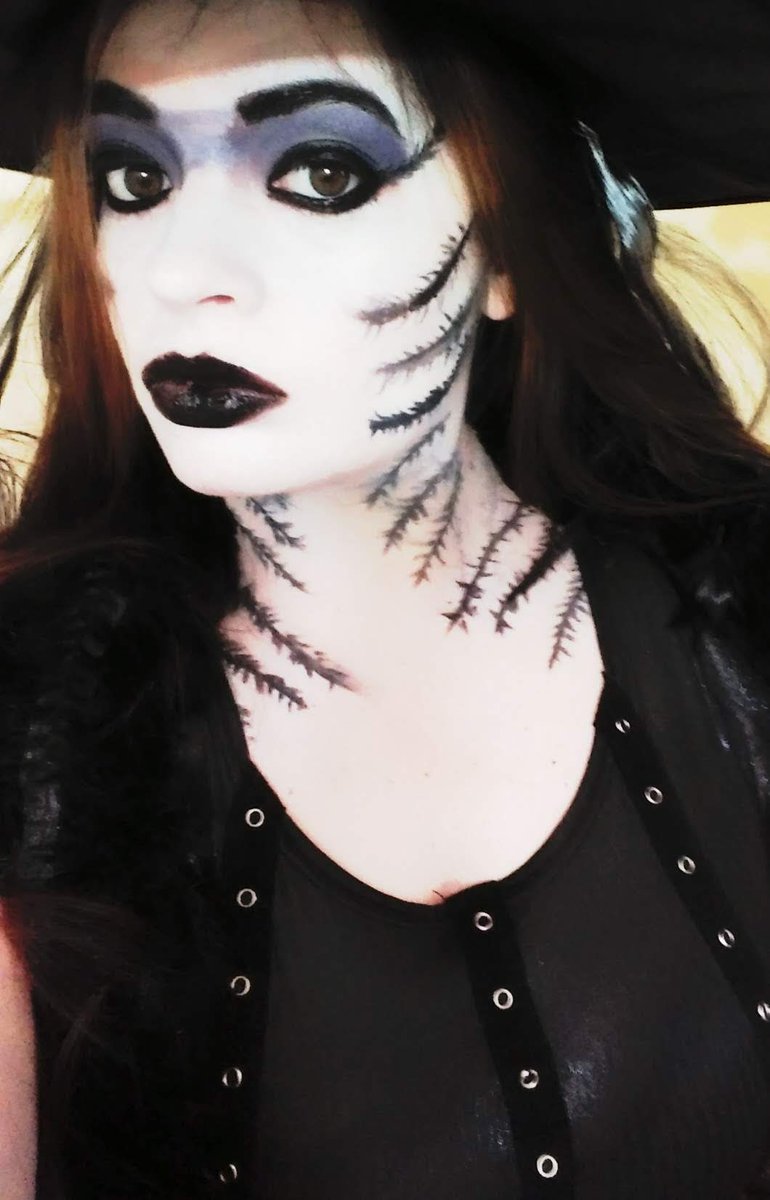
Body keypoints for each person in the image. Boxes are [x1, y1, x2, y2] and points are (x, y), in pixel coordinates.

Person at [0, 0, 770, 1196]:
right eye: (134, 179)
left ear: (508, 244)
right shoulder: (36, 729)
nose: (180, 272)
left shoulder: (736, 606)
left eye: (321, 171)